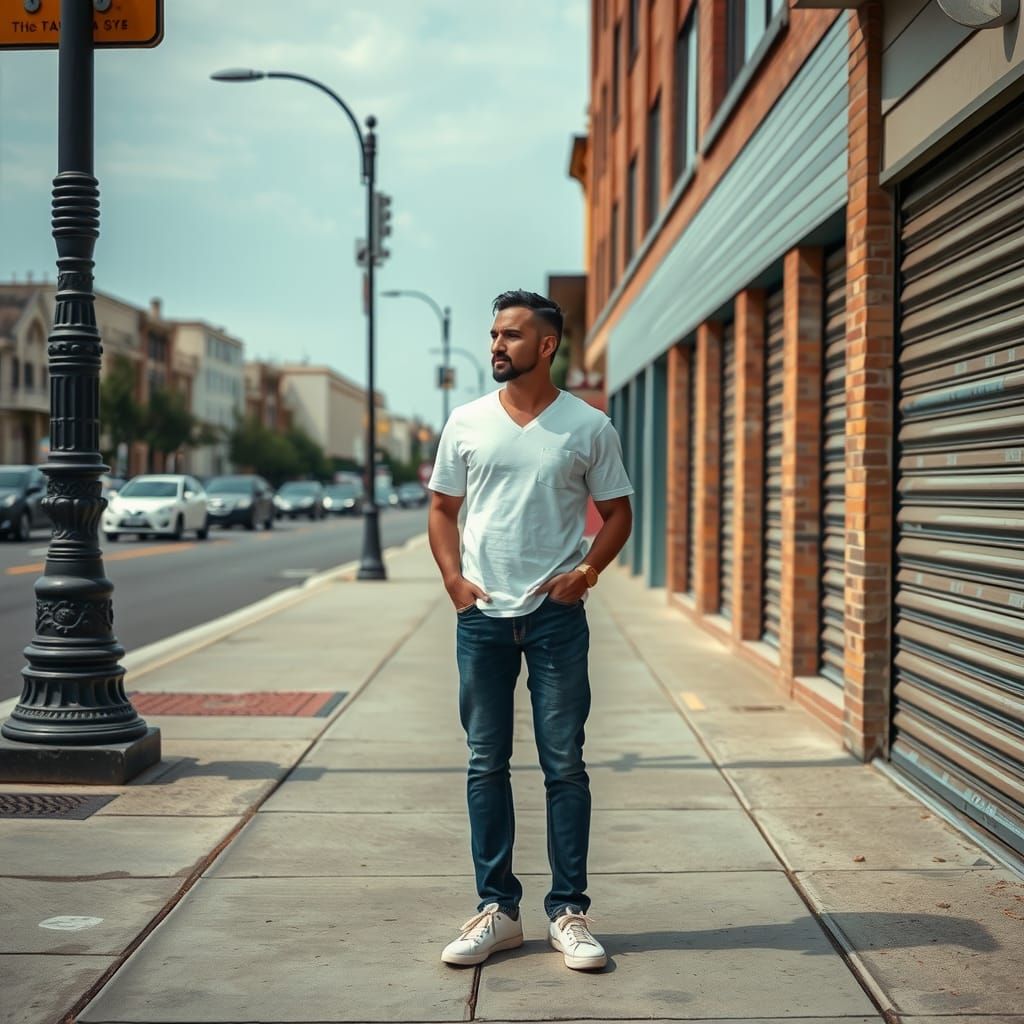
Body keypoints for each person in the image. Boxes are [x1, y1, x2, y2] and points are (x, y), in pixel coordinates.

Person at [427, 289, 633, 972]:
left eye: (511, 335)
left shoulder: (587, 425)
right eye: (493, 334)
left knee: (563, 765)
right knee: (486, 762)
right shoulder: (466, 421)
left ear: (547, 346)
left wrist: (588, 573)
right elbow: (441, 508)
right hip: (482, 618)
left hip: (555, 619)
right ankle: (498, 911)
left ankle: (568, 913)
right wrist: (456, 584)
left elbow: (618, 511)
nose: (496, 346)